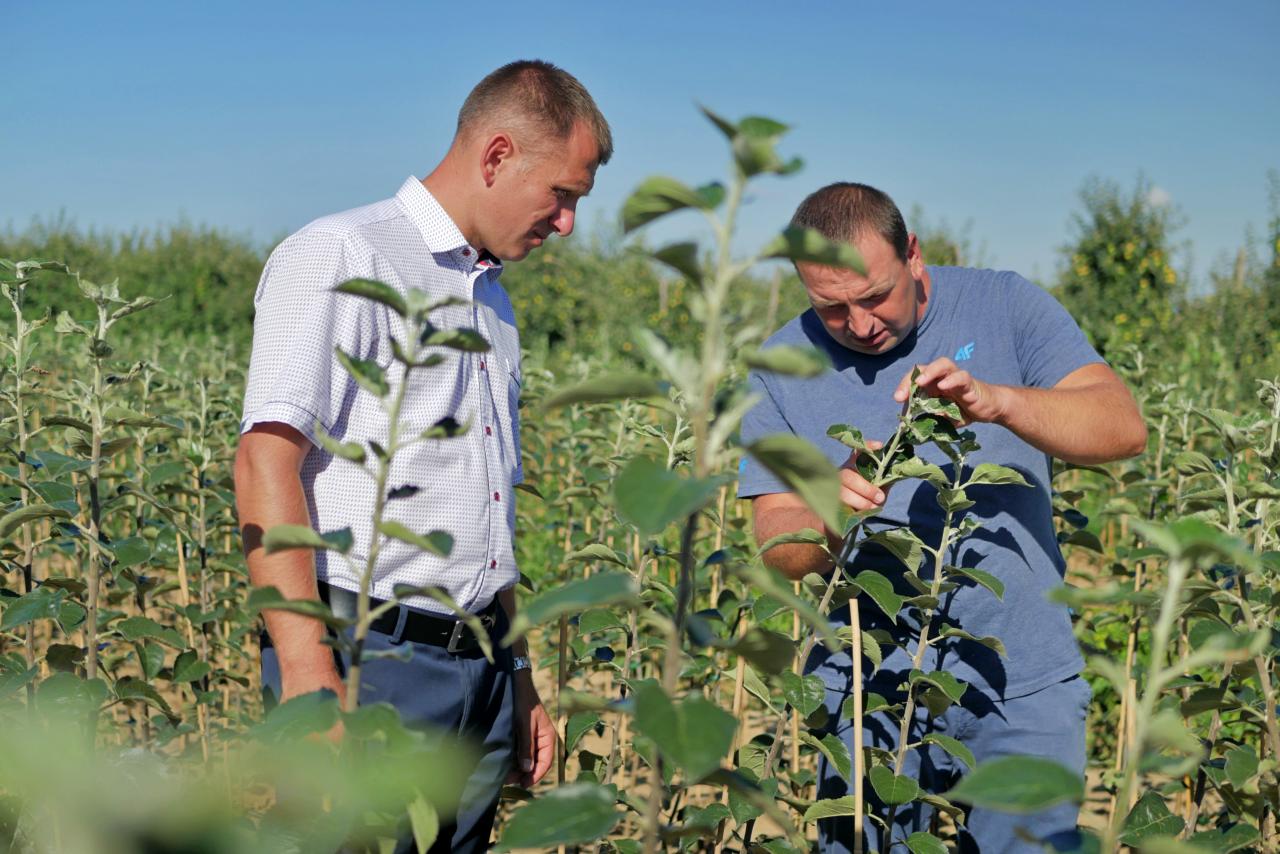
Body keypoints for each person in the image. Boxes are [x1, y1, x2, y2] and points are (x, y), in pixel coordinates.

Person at [233, 60, 612, 853]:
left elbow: (483, 510)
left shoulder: (492, 301)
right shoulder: (342, 255)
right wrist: (308, 679)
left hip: (477, 669)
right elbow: (266, 465)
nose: (568, 222)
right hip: (373, 662)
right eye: (564, 195)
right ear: (498, 154)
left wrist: (519, 676)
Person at [738, 182, 1147, 853]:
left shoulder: (1004, 303)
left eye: (875, 297)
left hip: (1022, 680)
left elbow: (1122, 426)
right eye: (831, 309)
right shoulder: (779, 371)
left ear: (914, 256)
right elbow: (778, 549)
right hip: (866, 692)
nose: (862, 324)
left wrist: (1000, 402)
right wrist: (826, 507)